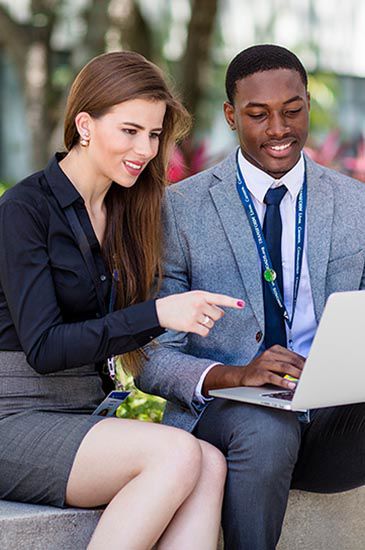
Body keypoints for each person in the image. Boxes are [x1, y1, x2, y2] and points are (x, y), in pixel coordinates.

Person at [0, 51, 246, 550]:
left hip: (85, 414)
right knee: (177, 455)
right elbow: (44, 347)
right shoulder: (23, 210)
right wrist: (155, 315)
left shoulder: (128, 209)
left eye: (154, 135)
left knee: (210, 463)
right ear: (84, 124)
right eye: (130, 131)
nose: (145, 149)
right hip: (14, 418)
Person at [138, 44, 365, 549]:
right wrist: (236, 375)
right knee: (267, 428)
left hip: (332, 423)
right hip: (232, 422)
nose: (278, 130)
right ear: (230, 115)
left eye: (292, 110)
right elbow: (152, 358)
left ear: (307, 103)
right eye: (258, 115)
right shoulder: (180, 210)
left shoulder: (357, 205)